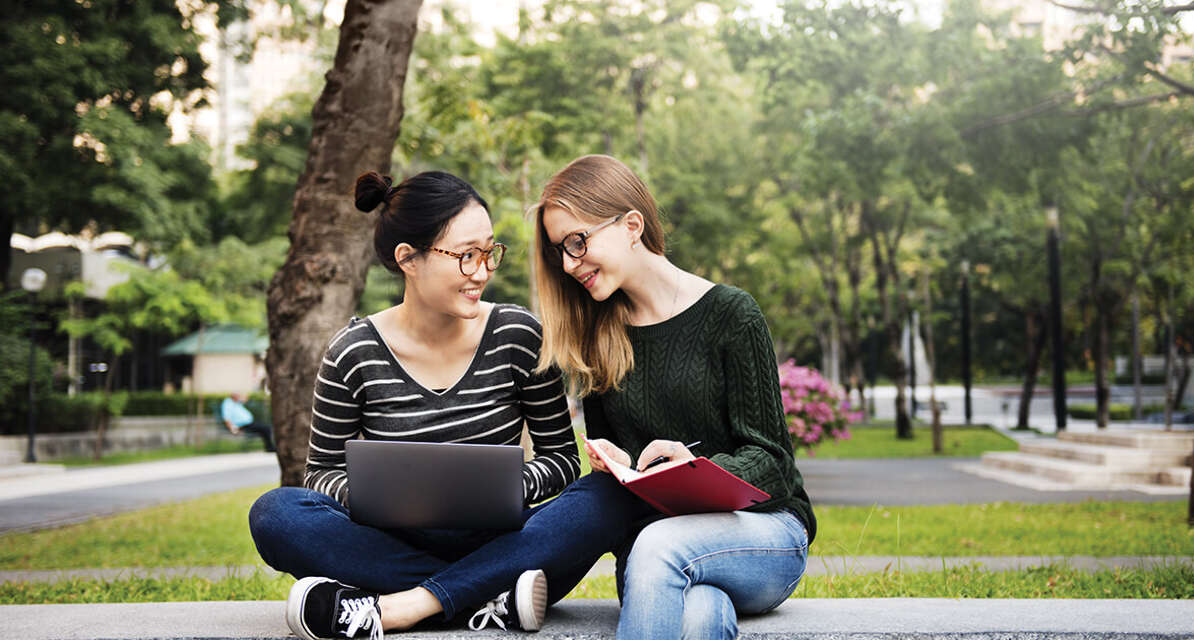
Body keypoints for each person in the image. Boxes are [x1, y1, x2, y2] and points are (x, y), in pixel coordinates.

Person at [248, 170, 651, 640]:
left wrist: (501, 487)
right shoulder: (352, 352)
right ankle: (489, 599)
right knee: (276, 514)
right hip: (400, 545)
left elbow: (562, 460)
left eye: (488, 253)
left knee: (607, 497)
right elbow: (320, 474)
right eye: (465, 257)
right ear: (408, 260)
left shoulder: (517, 336)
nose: (481, 271)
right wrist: (393, 498)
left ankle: (403, 607)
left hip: (506, 538)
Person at [532, 154, 816, 640]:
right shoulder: (600, 337)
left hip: (763, 536)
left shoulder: (732, 314)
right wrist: (614, 464)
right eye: (561, 249)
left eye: (577, 242)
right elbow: (618, 476)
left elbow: (771, 460)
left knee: (660, 546)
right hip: (655, 554)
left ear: (632, 225)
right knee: (701, 613)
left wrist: (692, 470)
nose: (568, 263)